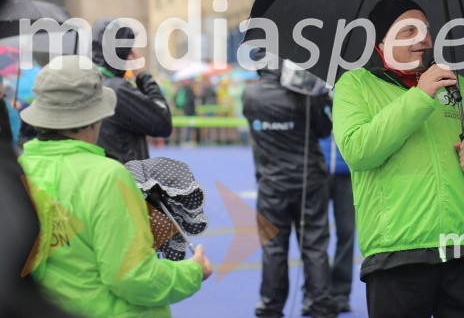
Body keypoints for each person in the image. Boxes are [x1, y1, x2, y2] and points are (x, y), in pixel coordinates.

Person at [333, 0, 464, 318]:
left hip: (460, 247)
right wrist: (420, 96)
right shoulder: (355, 84)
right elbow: (359, 151)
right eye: (409, 30)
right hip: (396, 252)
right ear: (381, 41)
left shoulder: (456, 86)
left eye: (426, 30)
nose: (424, 39)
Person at [17, 55, 212, 318]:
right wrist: (193, 271)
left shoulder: (19, 169)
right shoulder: (107, 176)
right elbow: (133, 277)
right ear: (95, 118)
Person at [242, 51, 337, 318]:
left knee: (273, 248)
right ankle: (320, 303)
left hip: (271, 185)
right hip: (310, 182)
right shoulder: (305, 93)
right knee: (315, 244)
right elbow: (324, 130)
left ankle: (270, 305)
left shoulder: (250, 96)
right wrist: (319, 97)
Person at [91, 18, 173, 163]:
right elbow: (162, 123)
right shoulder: (117, 90)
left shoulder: (86, 81)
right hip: (124, 177)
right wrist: (144, 76)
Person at [313, 134, 355, 314]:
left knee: (347, 232)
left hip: (347, 172)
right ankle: (313, 292)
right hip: (317, 171)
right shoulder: (314, 103)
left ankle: (340, 293)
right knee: (313, 236)